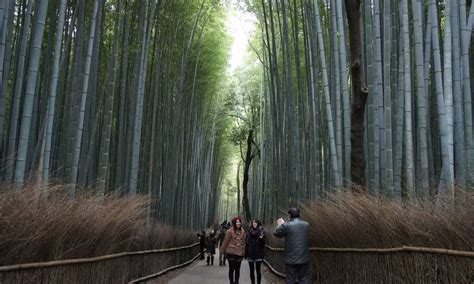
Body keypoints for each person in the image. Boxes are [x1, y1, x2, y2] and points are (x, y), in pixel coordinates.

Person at [274, 208, 310, 284]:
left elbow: (276, 233)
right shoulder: (306, 225)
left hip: (290, 259)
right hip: (304, 258)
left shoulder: (286, 225)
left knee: (290, 279)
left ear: (289, 215)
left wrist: (280, 225)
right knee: (304, 278)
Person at [220, 216, 246, 284]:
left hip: (239, 252)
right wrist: (222, 250)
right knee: (231, 269)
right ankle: (231, 282)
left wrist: (244, 252)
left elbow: (243, 242)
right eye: (237, 222)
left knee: (237, 269)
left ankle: (237, 282)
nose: (238, 223)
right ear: (234, 223)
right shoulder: (229, 231)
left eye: (239, 222)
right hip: (231, 252)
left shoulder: (243, 231)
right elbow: (226, 241)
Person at [245, 219, 266, 284]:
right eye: (253, 222)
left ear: (258, 223)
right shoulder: (248, 231)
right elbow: (246, 242)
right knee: (251, 271)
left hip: (258, 253)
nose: (254, 223)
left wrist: (261, 239)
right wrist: (246, 254)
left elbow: (263, 245)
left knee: (258, 270)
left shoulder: (261, 232)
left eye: (255, 222)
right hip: (250, 253)